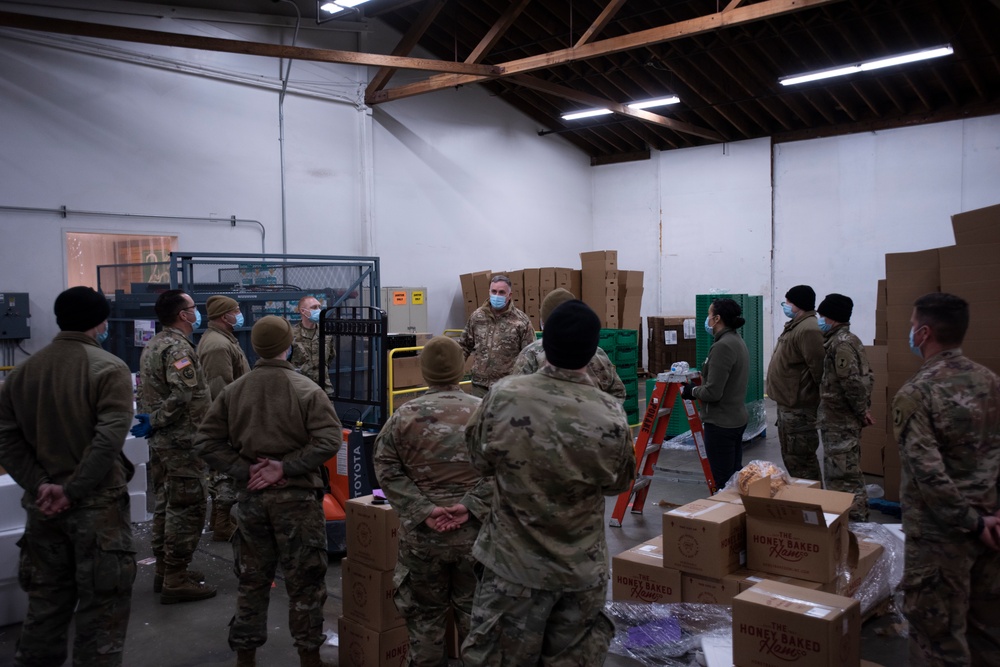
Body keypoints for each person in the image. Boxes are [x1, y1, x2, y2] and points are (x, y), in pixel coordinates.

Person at [462, 300, 635, 665]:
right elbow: (618, 483)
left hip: (512, 568)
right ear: (592, 350)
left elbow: (478, 459)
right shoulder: (610, 415)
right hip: (579, 572)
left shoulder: (504, 396)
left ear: (544, 342)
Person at [195, 315, 342, 667]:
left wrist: (247, 470)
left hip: (252, 502)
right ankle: (309, 656)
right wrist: (285, 467)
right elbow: (329, 440)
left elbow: (206, 441)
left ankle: (246, 657)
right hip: (298, 503)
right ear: (289, 345)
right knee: (305, 583)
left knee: (252, 581)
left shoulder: (235, 391)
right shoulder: (306, 389)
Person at [0, 286, 136, 666]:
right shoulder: (108, 368)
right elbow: (108, 439)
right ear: (101, 321)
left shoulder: (24, 372)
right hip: (97, 513)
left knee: (45, 608)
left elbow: (6, 438)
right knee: (101, 616)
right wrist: (72, 490)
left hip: (43, 510)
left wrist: (42, 485)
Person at [892, 292, 1000, 666]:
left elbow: (928, 474)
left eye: (910, 327)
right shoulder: (989, 381)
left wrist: (970, 522)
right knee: (986, 632)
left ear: (923, 333)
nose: (909, 333)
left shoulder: (917, 393)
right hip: (991, 530)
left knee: (938, 641)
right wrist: (988, 520)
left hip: (942, 540)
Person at [373, 336, 492, 666]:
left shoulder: (403, 415)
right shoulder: (484, 413)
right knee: (477, 621)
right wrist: (469, 505)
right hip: (476, 536)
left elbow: (385, 466)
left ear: (423, 371)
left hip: (423, 539)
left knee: (426, 623)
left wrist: (424, 510)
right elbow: (506, 468)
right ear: (461, 368)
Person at [133, 289, 217, 603]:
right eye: (193, 308)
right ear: (183, 314)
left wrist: (154, 422)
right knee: (188, 508)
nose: (197, 312)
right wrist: (157, 419)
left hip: (164, 443)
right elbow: (182, 394)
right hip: (181, 441)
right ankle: (176, 577)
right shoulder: (178, 348)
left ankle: (165, 570)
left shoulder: (154, 343)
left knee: (167, 505)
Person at [196, 294, 251, 542]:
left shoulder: (223, 339)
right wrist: (231, 421)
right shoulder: (217, 345)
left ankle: (221, 519)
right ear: (223, 316)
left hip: (231, 413)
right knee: (226, 472)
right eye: (235, 310)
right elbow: (219, 388)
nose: (239, 314)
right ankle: (221, 522)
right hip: (227, 417)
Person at [510, 287, 626, 401]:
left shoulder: (531, 354)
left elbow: (515, 398)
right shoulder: (597, 354)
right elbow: (618, 392)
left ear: (544, 322)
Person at [681, 298, 749, 490]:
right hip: (734, 419)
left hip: (721, 424)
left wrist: (692, 391)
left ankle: (727, 516)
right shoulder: (735, 340)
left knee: (724, 483)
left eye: (709, 315)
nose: (707, 319)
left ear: (717, 318)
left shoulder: (722, 346)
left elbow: (713, 392)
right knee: (734, 478)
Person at [816, 293, 874, 521]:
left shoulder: (841, 344)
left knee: (844, 476)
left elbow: (852, 382)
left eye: (822, 315)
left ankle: (857, 525)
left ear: (832, 317)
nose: (820, 319)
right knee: (841, 472)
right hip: (837, 420)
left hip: (840, 421)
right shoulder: (846, 340)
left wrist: (862, 411)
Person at [766, 285, 825, 481]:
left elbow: (819, 369)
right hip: (789, 406)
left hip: (799, 408)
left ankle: (812, 505)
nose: (786, 305)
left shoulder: (809, 329)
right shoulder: (797, 326)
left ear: (798, 304)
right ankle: (804, 506)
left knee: (802, 463)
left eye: (788, 302)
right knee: (793, 459)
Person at [458, 275, 535, 397]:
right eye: (494, 291)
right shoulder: (477, 317)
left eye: (501, 292)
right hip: (480, 386)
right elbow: (463, 346)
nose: (497, 295)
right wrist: (454, 374)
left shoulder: (521, 321)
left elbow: (530, 354)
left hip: (507, 388)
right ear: (489, 292)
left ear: (509, 295)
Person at [290, 295, 335, 394]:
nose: (318, 310)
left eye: (319, 307)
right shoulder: (291, 334)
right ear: (302, 311)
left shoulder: (326, 333)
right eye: (314, 307)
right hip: (300, 391)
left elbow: (330, 357)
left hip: (324, 390)